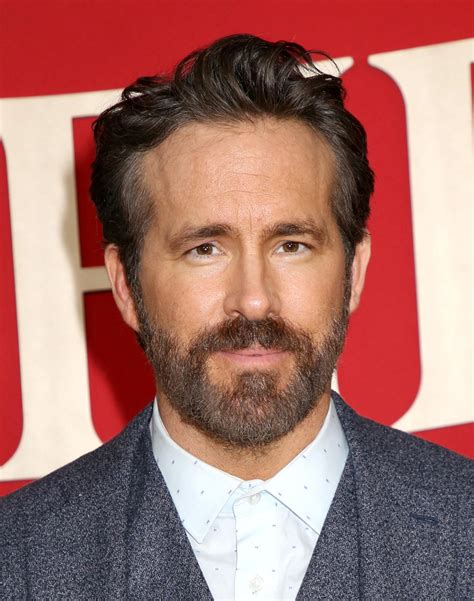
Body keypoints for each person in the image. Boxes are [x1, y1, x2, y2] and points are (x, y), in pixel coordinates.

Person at [0, 34, 471, 600]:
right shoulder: (17, 561)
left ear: (355, 270)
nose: (253, 300)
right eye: (205, 249)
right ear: (125, 284)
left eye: (291, 245)